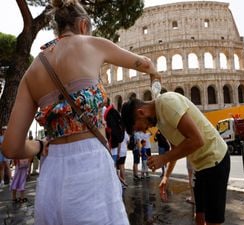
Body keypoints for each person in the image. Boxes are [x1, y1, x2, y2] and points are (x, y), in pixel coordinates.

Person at [2, 0, 159, 224]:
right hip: (91, 172)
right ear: (84, 25)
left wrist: (39, 145)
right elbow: (142, 63)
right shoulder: (93, 44)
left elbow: (10, 147)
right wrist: (154, 74)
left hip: (50, 178)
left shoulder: (32, 70)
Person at [121, 91, 230, 225]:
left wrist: (163, 158)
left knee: (212, 220)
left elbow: (197, 140)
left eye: (140, 128)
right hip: (199, 165)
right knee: (199, 216)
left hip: (215, 160)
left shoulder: (167, 103)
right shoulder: (160, 120)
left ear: (141, 113)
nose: (145, 131)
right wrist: (166, 176)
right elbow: (175, 148)